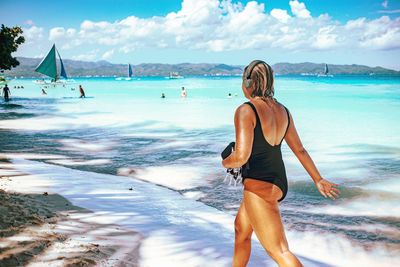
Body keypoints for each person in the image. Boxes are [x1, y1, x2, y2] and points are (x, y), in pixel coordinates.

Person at [222, 60, 340, 267]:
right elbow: (300, 149)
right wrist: (317, 179)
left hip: (259, 185)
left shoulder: (245, 111)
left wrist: (226, 161)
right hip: (277, 181)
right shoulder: (283, 110)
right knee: (241, 229)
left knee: (279, 250)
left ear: (248, 83)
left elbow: (240, 156)